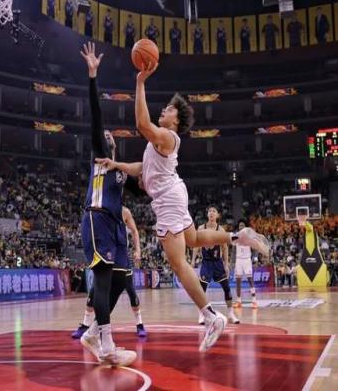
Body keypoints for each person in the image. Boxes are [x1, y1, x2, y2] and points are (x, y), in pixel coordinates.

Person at [96, 63, 269, 351]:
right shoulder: (160, 143)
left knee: (179, 264)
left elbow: (141, 124)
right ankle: (237, 236)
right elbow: (143, 168)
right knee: (194, 239)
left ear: (175, 121)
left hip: (168, 200)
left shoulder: (167, 137)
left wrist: (140, 82)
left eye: (168, 109)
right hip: (174, 194)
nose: (163, 110)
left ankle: (211, 316)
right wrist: (117, 165)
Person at [78, 42, 137, 366]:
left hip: (115, 228)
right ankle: (106, 345)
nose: (109, 135)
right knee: (102, 280)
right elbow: (96, 115)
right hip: (97, 219)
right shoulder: (100, 155)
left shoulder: (120, 171)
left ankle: (92, 334)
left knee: (119, 280)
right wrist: (92, 77)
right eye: (106, 134)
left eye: (113, 135)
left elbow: (145, 185)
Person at [72, 206, 147, 339]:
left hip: (121, 255)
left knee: (130, 290)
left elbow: (134, 231)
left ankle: (139, 324)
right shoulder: (100, 209)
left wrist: (138, 250)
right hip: (105, 252)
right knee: (94, 291)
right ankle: (85, 325)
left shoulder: (124, 211)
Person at [192, 206, 239, 325]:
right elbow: (196, 245)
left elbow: (225, 247)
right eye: (209, 211)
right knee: (201, 289)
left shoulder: (221, 230)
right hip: (206, 262)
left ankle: (231, 314)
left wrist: (226, 265)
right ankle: (201, 314)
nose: (211, 213)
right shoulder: (201, 228)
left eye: (214, 211)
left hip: (218, 262)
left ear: (217, 215)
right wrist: (193, 260)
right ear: (207, 214)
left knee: (226, 288)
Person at [234, 220, 257, 308]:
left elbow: (254, 248)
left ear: (245, 227)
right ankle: (238, 301)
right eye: (240, 225)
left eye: (243, 225)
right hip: (238, 260)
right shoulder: (235, 236)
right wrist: (231, 262)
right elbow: (233, 250)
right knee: (238, 281)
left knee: (250, 280)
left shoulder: (249, 236)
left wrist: (255, 259)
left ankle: (254, 301)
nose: (241, 227)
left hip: (247, 260)